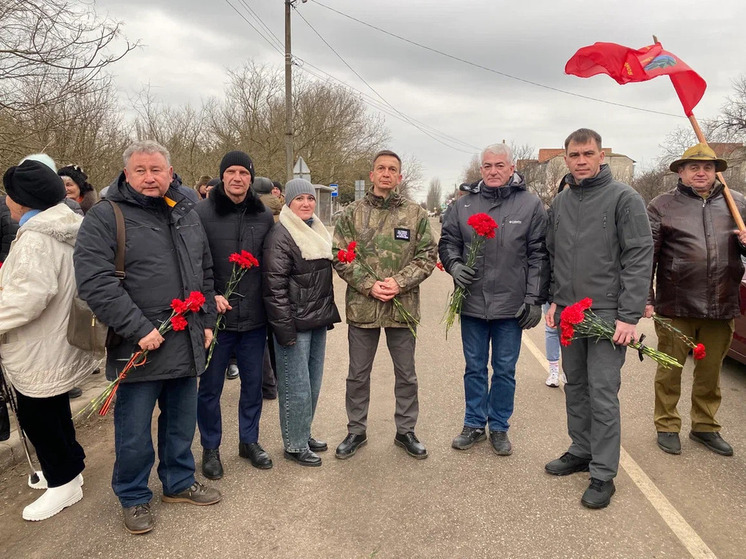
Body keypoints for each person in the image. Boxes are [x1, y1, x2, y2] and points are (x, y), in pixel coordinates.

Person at [74, 140, 219, 535]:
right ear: (126, 173)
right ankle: (134, 496)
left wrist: (206, 321)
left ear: (170, 173)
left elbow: (204, 271)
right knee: (134, 430)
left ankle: (177, 482)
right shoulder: (107, 216)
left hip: (186, 337)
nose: (150, 177)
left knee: (180, 422)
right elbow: (95, 282)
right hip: (138, 344)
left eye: (157, 169)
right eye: (140, 170)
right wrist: (138, 328)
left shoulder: (186, 212)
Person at [545, 128, 653, 509]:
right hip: (570, 313)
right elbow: (553, 254)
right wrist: (555, 300)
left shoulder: (625, 199)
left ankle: (604, 473)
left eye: (588, 153)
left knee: (603, 393)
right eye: (574, 155)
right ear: (566, 158)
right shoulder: (560, 203)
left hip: (608, 314)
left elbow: (639, 255)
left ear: (601, 154)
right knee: (576, 386)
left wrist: (629, 315)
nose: (581, 160)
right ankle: (581, 449)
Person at [0, 159, 100, 521]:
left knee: (38, 415)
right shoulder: (65, 225)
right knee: (53, 410)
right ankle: (70, 468)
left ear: (23, 201)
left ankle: (63, 482)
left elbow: (28, 296)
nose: (6, 202)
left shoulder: (37, 239)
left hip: (38, 345)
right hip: (56, 340)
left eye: (8, 196)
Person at [439, 143, 548, 455]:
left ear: (511, 168)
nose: (494, 171)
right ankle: (473, 423)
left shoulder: (529, 205)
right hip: (472, 302)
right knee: (474, 366)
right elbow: (449, 242)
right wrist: (454, 265)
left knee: (504, 369)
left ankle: (499, 426)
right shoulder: (464, 204)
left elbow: (539, 254)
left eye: (500, 165)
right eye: (488, 166)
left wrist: (534, 298)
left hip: (510, 306)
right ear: (481, 169)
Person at [333, 149, 437, 460]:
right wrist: (369, 285)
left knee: (406, 374)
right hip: (363, 307)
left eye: (392, 169)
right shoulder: (351, 214)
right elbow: (340, 256)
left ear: (399, 176)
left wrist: (399, 282)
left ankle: (405, 430)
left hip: (401, 307)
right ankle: (356, 430)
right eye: (381, 168)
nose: (387, 173)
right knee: (357, 374)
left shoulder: (415, 215)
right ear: (372, 175)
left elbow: (428, 256)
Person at [645, 143, 746, 457]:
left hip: (722, 302)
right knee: (670, 370)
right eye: (694, 167)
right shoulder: (662, 205)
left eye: (707, 167)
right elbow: (648, 255)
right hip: (676, 305)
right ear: (681, 171)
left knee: (710, 372)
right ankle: (667, 425)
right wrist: (645, 298)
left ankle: (704, 426)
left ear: (716, 171)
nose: (701, 173)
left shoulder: (737, 203)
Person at [194, 151, 275, 479]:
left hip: (254, 318)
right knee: (210, 387)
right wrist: (211, 298)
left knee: (253, 384)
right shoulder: (201, 213)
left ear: (251, 177)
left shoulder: (263, 215)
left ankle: (249, 441)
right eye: (231, 172)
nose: (237, 177)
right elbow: (195, 263)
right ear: (222, 176)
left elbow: (270, 262)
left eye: (244, 172)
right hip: (218, 321)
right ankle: (210, 448)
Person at [263, 178, 341, 466]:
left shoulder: (315, 231)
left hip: (316, 319)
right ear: (288, 203)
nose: (307, 203)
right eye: (300, 199)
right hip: (294, 324)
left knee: (312, 384)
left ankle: (303, 432)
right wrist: (285, 330)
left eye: (310, 199)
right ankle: (294, 444)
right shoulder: (281, 236)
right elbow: (274, 288)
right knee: (295, 387)